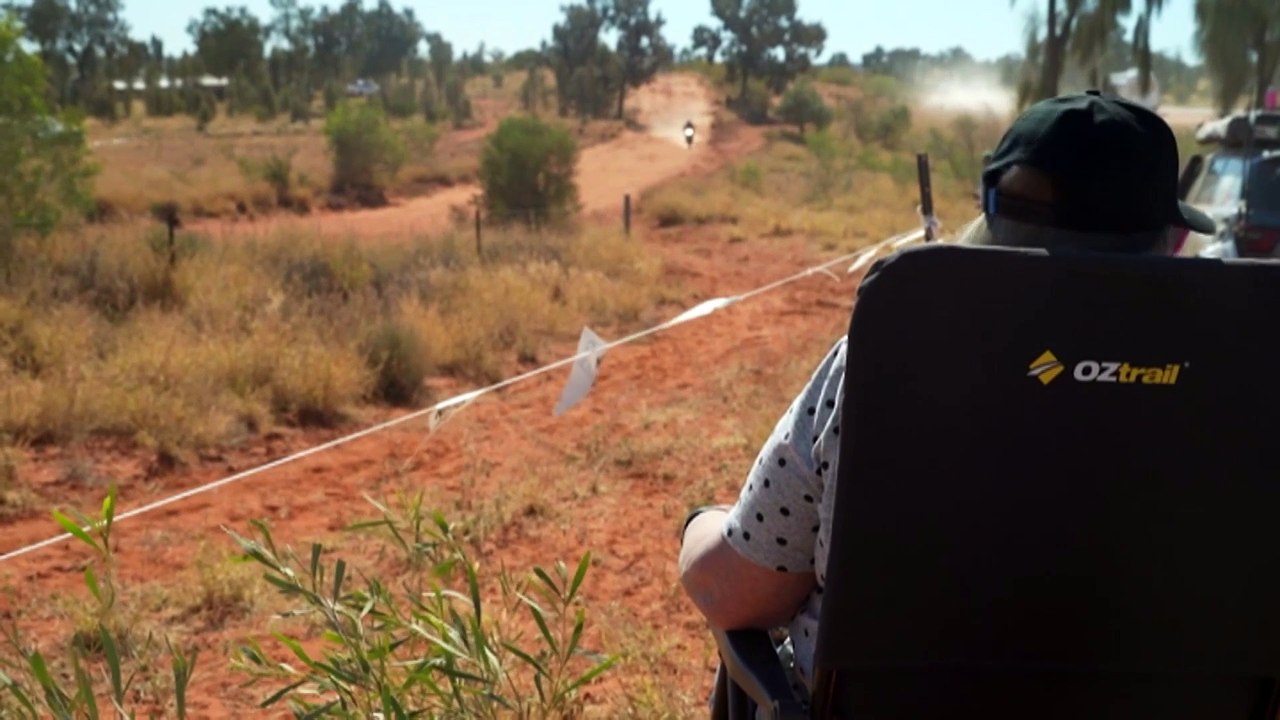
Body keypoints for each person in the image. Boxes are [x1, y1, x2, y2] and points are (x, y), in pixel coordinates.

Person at [677, 90, 1215, 705]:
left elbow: (739, 593)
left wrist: (702, 528)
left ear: (991, 216)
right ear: (1171, 242)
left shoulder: (898, 352)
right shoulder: (1243, 382)